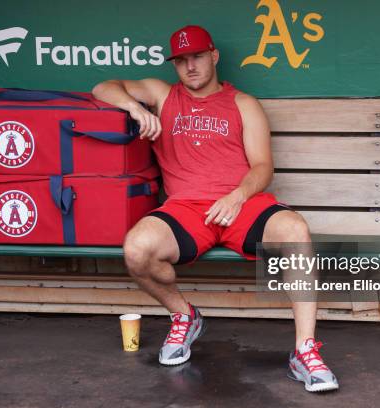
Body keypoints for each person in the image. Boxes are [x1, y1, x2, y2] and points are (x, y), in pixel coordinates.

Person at [91, 25, 338, 393]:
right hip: (187, 209)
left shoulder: (243, 103)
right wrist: (133, 107)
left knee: (295, 231)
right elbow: (102, 87)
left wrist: (237, 196)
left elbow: (262, 167)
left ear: (214, 56)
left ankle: (304, 350)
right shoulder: (161, 95)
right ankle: (184, 315)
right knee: (136, 249)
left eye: (198, 57)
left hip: (242, 205)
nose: (190, 66)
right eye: (181, 60)